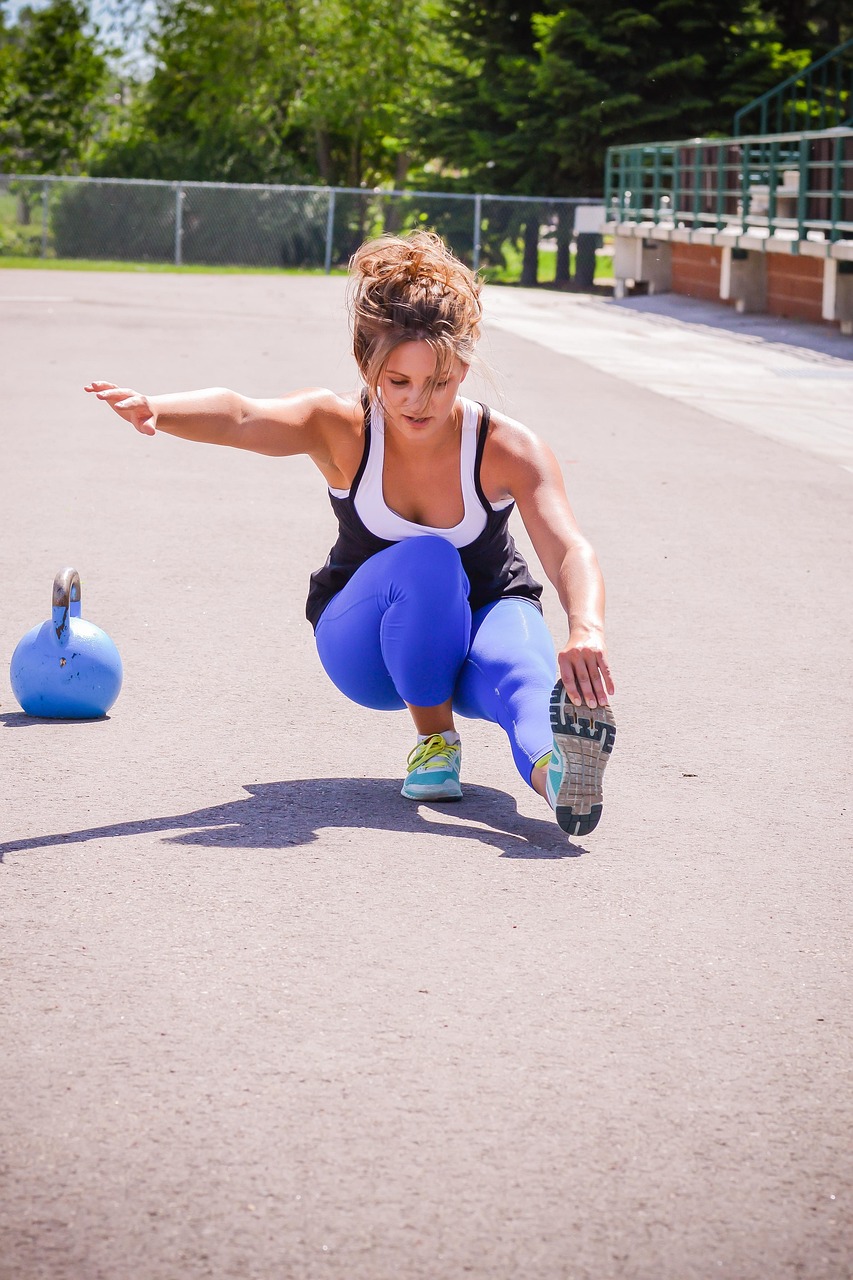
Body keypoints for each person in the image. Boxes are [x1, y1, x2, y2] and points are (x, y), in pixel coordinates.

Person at [86, 230, 616, 836]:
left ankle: (560, 780)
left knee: (526, 676)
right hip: (365, 647)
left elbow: (568, 547)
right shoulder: (339, 426)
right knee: (429, 560)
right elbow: (242, 414)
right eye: (398, 382)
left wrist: (587, 628)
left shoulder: (508, 447)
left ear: (463, 367)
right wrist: (159, 407)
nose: (418, 402)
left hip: (478, 626)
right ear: (368, 366)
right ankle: (435, 739)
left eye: (439, 382)